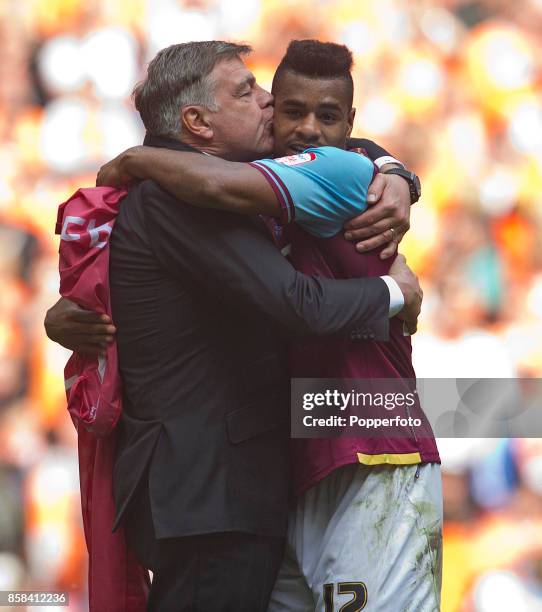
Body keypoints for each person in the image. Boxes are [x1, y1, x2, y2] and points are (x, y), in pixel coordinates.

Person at [45, 41, 423, 612]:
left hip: (288, 466)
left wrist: (396, 172)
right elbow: (296, 303)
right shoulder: (182, 199)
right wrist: (397, 293)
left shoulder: (261, 176)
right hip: (216, 496)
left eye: (321, 115)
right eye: (248, 92)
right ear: (197, 122)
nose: (271, 104)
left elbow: (339, 149)